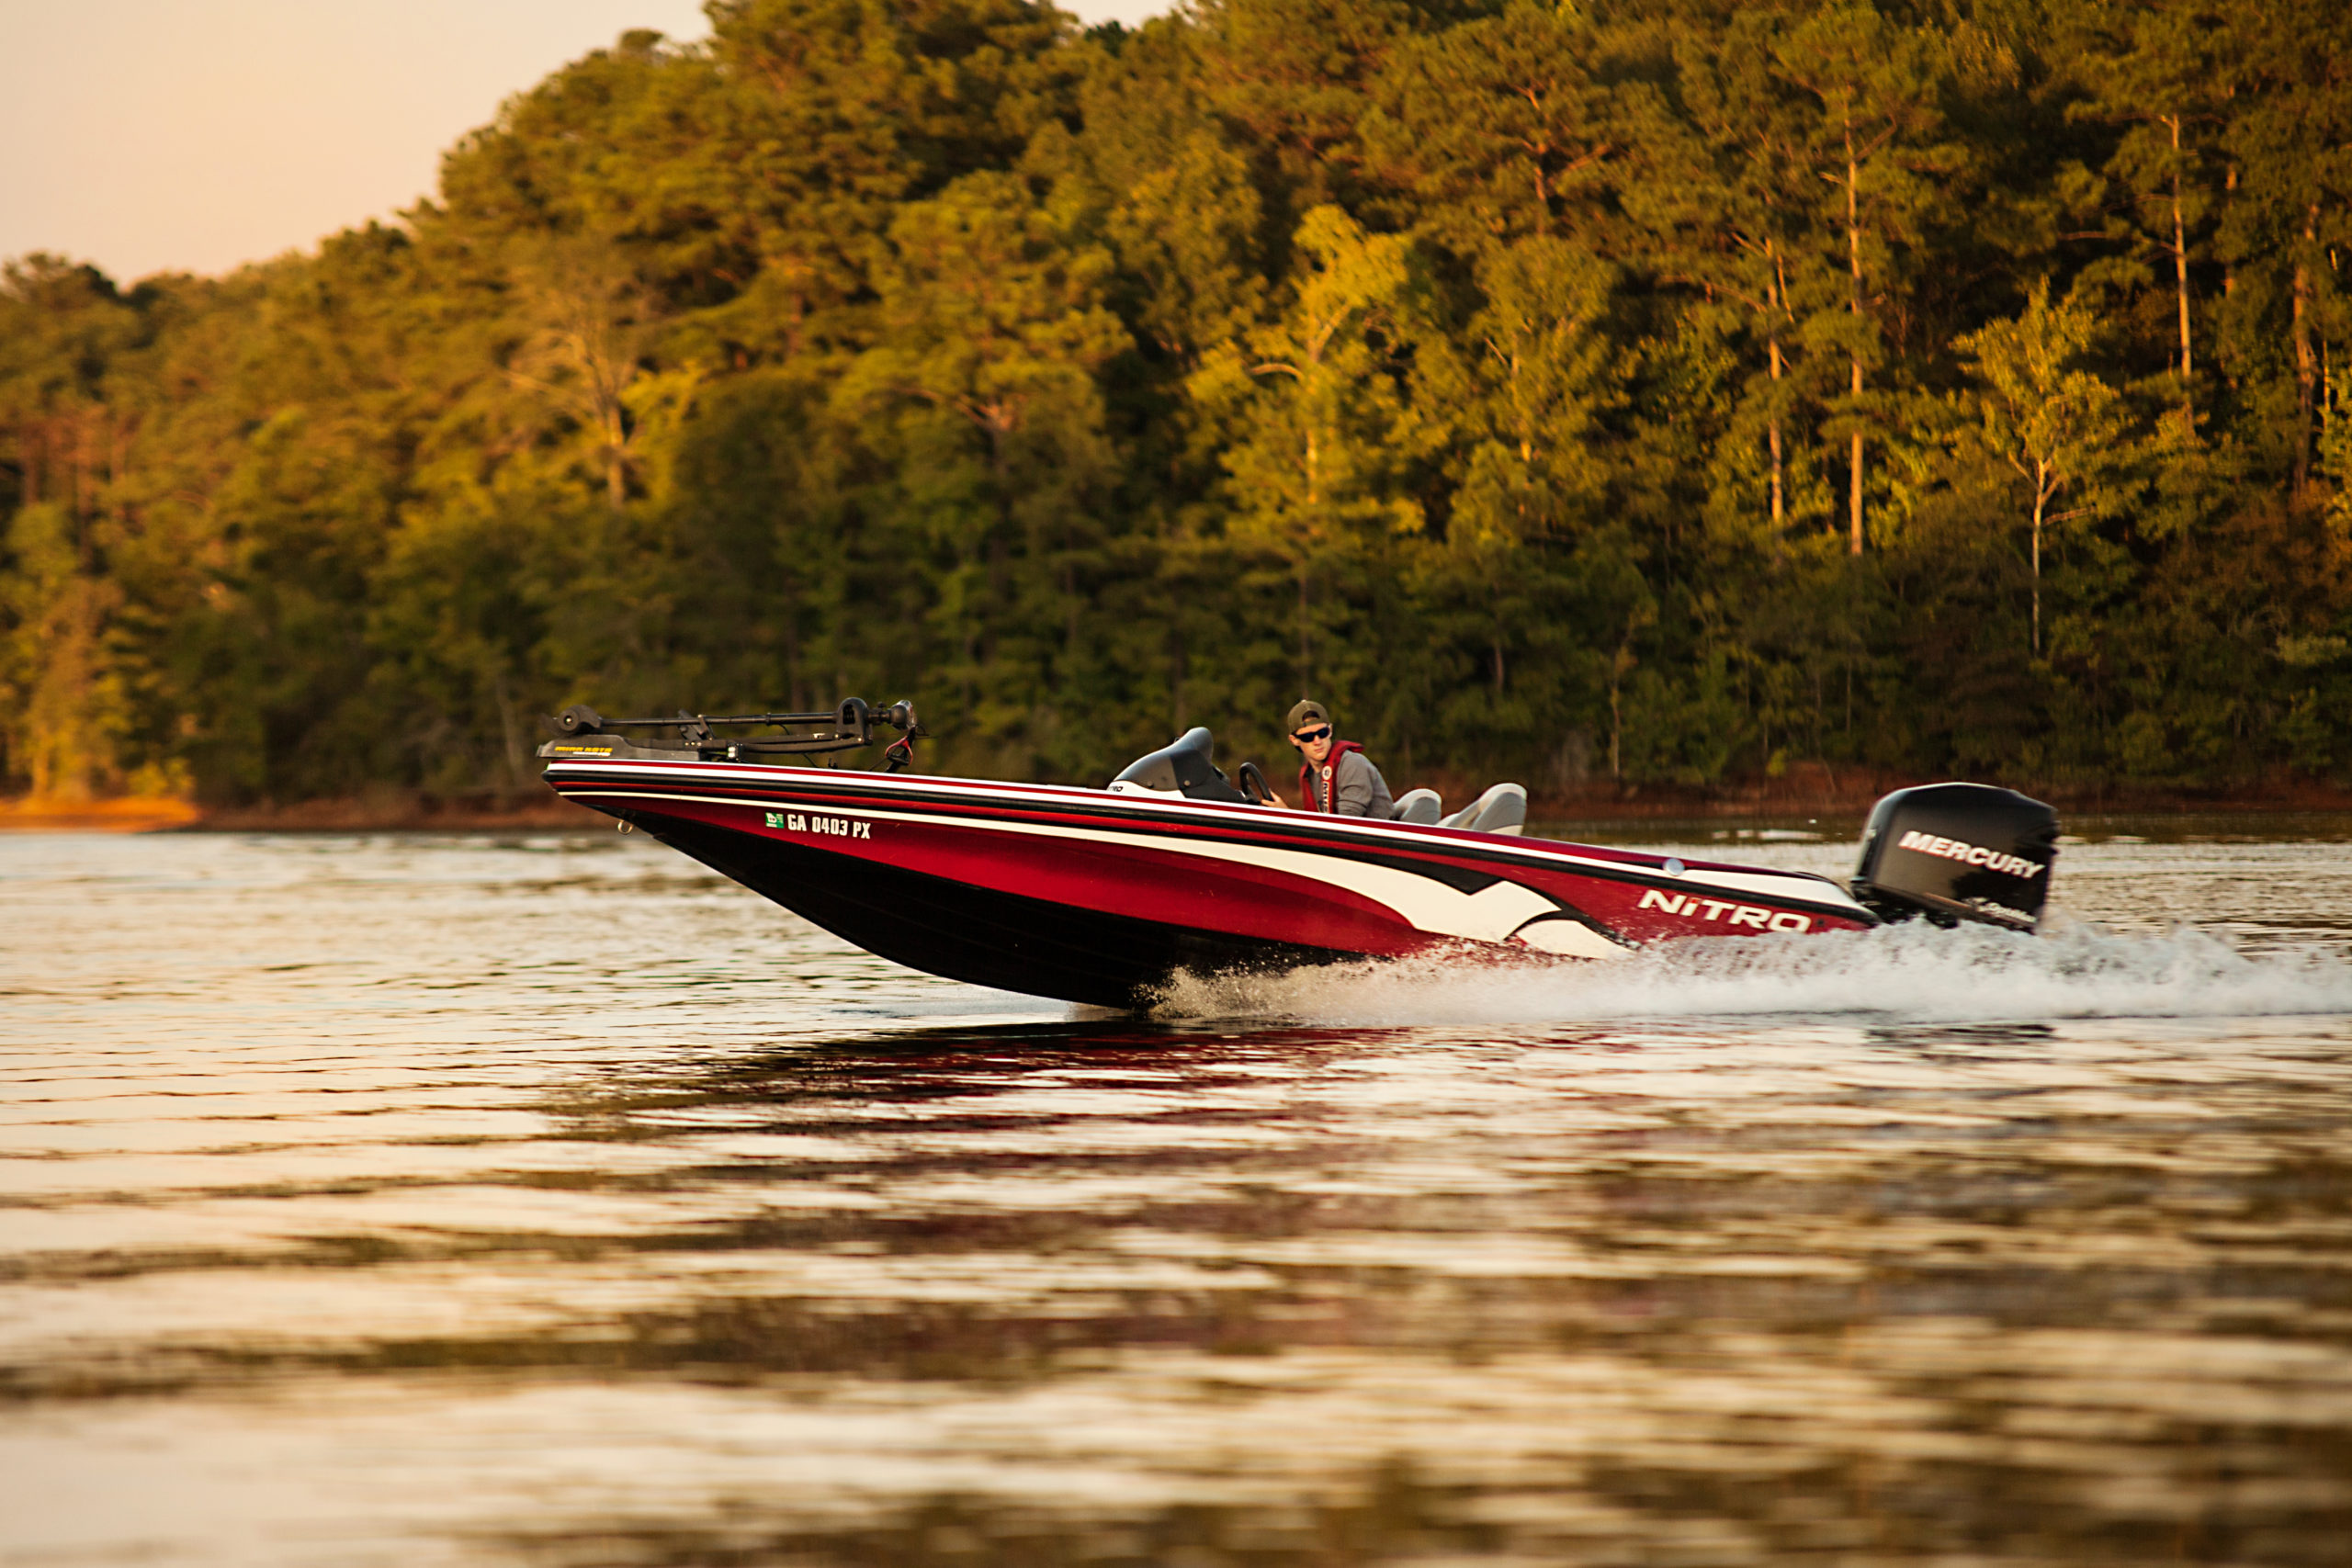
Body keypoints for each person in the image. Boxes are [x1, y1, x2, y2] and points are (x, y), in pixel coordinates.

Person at [1286, 699, 1394, 818]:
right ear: (1294, 740)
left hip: (1377, 836)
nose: (1317, 741)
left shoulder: (1353, 764)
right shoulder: (1311, 774)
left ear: (1330, 730)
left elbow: (1345, 825)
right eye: (1308, 736)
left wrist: (1288, 816)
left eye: (1322, 732)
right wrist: (1284, 813)